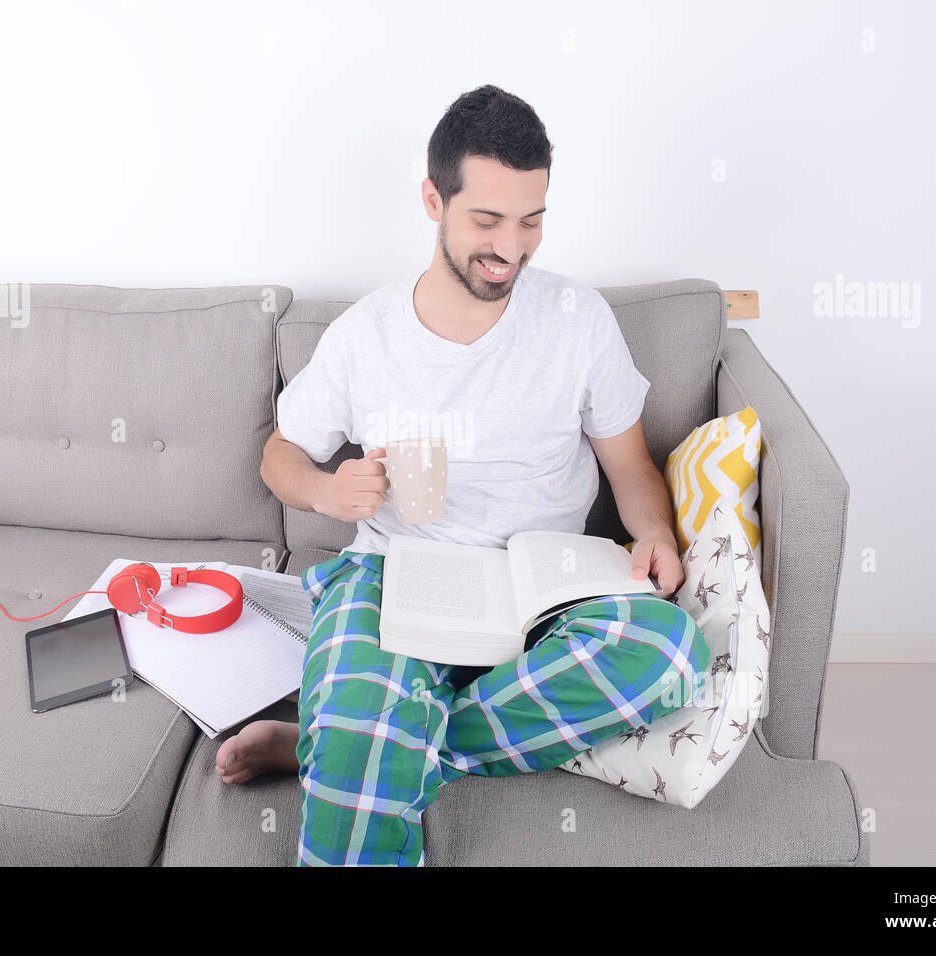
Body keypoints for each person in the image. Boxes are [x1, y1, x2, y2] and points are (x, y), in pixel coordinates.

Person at [215, 84, 709, 866]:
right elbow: (278, 455)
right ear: (432, 199)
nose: (510, 248)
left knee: (674, 656)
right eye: (486, 220)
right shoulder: (365, 336)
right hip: (393, 574)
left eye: (531, 221)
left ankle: (347, 734)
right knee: (358, 753)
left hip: (539, 593)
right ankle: (358, 731)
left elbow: (631, 464)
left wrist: (653, 532)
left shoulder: (579, 322)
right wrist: (325, 490)